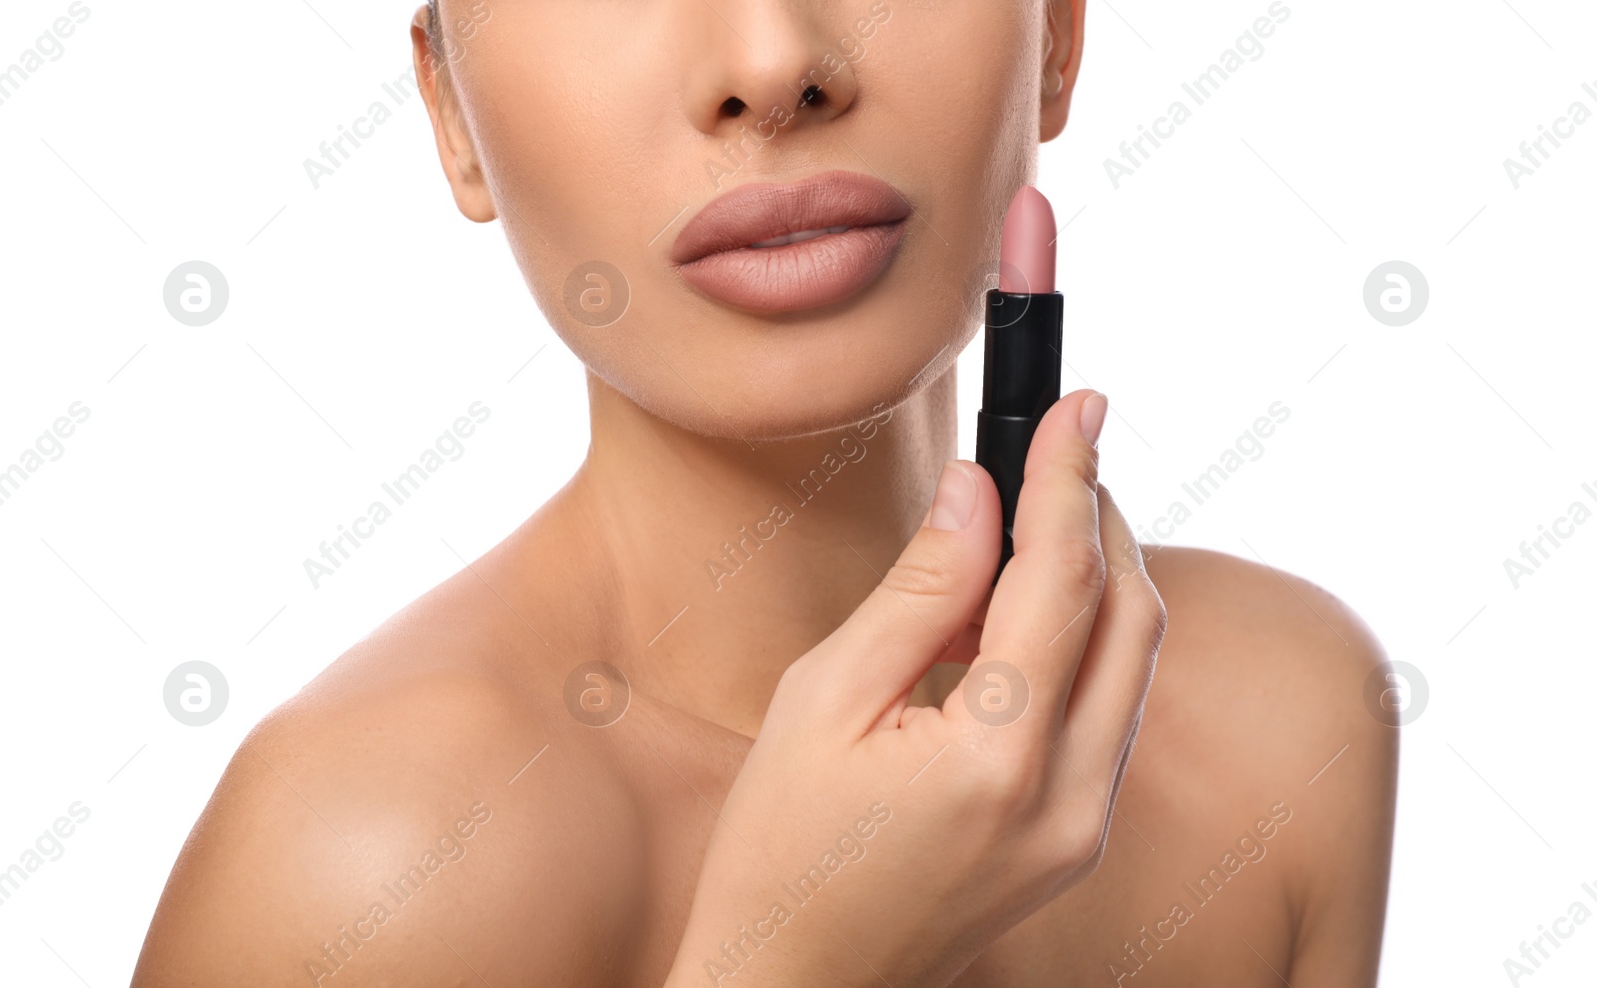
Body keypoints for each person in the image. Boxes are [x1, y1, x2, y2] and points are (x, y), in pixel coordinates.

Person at [131, 1, 1396, 984]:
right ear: (450, 113)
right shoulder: (369, 860)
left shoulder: (1286, 723)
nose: (772, 60)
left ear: (1057, 32)